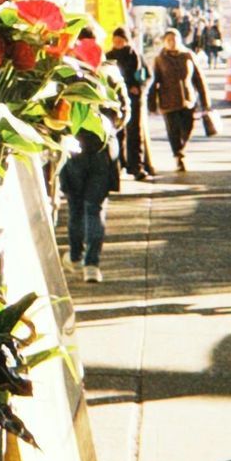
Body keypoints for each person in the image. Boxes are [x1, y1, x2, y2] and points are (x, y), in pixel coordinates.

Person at [58, 124, 117, 279]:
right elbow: (122, 111)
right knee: (94, 210)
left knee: (75, 208)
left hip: (74, 150)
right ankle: (91, 265)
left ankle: (76, 257)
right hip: (100, 150)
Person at [150, 26, 212, 175]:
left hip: (188, 100)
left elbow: (199, 79)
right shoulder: (160, 59)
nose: (171, 42)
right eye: (168, 40)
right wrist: (152, 103)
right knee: (173, 131)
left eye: (174, 39)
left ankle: (181, 148)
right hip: (168, 101)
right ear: (164, 42)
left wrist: (205, 102)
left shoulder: (188, 55)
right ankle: (178, 156)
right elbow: (154, 82)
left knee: (188, 128)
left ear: (179, 40)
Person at [106, 27, 150, 180]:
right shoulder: (108, 56)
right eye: (116, 40)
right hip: (115, 100)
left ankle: (136, 166)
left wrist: (140, 88)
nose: (118, 43)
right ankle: (119, 165)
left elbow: (147, 76)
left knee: (135, 134)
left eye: (121, 40)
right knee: (117, 133)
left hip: (134, 99)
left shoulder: (135, 56)